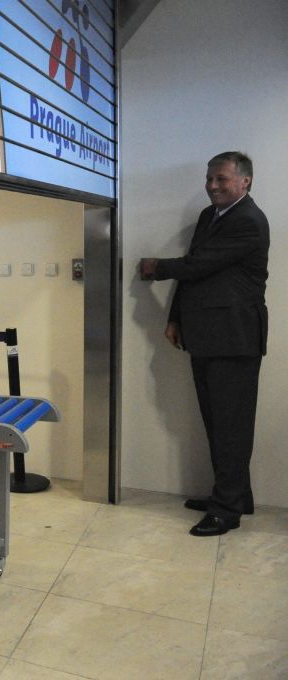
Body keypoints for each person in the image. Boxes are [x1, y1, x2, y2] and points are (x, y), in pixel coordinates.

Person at [139, 151, 269, 537]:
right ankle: (233, 495)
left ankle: (226, 510)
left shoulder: (249, 221)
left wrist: (156, 268)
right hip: (207, 335)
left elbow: (198, 265)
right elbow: (196, 272)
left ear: (244, 182)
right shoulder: (209, 216)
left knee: (232, 426)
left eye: (222, 179)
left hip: (235, 338)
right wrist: (175, 317)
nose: (212, 185)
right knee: (218, 422)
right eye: (209, 178)